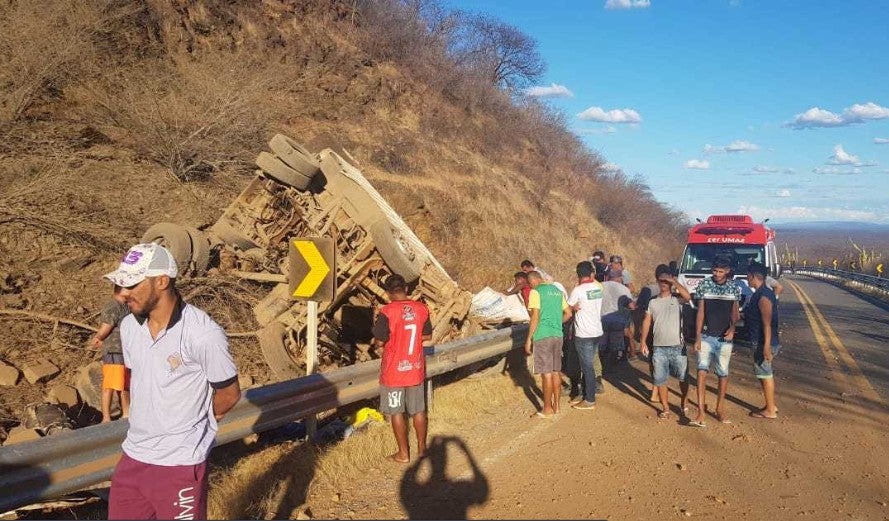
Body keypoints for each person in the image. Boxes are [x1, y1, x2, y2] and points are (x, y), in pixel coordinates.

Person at [106, 243, 240, 520]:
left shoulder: (203, 334)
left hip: (179, 464)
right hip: (134, 458)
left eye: (131, 284)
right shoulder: (129, 327)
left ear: (162, 281)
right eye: (120, 285)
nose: (122, 294)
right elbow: (142, 379)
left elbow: (229, 394)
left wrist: (188, 425)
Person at [373, 274, 433, 463]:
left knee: (396, 411)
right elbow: (427, 336)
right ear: (406, 289)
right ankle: (422, 450)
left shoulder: (387, 311)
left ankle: (403, 454)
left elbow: (380, 340)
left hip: (394, 371)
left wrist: (382, 343)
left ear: (388, 293)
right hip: (414, 368)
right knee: (418, 410)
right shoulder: (422, 309)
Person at [692, 255, 741, 427]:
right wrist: (697, 336)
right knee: (701, 371)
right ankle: (700, 411)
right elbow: (700, 312)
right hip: (706, 335)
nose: (717, 274)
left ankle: (720, 408)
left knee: (723, 373)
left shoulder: (734, 288)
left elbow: (735, 313)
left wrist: (733, 328)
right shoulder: (704, 284)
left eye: (720, 271)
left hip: (725, 338)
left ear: (727, 271)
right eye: (714, 270)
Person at [639, 268, 692, 419]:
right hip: (658, 347)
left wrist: (674, 281)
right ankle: (666, 408)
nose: (663, 284)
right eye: (661, 281)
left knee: (683, 378)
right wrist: (643, 341)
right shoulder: (652, 302)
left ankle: (684, 402)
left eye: (666, 281)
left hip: (677, 346)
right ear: (657, 282)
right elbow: (646, 321)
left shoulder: (677, 300)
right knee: (660, 379)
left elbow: (688, 297)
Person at [524, 271, 572, 418]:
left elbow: (535, 317)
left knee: (546, 374)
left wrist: (528, 339)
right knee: (556, 371)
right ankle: (557, 406)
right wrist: (557, 322)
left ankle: (547, 408)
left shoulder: (535, 292)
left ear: (532, 281)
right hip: (558, 335)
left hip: (543, 335)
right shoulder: (557, 291)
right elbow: (568, 313)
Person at [89, 285, 131, 423]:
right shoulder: (112, 306)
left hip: (124, 350)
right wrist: (98, 338)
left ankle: (127, 413)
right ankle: (106, 417)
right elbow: (106, 326)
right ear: (120, 290)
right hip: (114, 350)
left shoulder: (126, 305)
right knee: (111, 385)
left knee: (124, 385)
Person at [745, 262, 780, 419]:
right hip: (762, 341)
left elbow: (767, 323)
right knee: (764, 374)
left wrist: (766, 346)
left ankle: (771, 410)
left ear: (752, 276)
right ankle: (770, 404)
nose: (747, 278)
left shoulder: (763, 296)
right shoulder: (763, 292)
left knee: (766, 375)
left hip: (763, 342)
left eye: (747, 275)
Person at [567, 261, 604, 410]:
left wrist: (574, 307)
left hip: (584, 334)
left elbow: (568, 307)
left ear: (578, 275)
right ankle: (585, 395)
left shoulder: (578, 290)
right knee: (588, 365)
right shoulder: (597, 288)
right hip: (596, 332)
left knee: (587, 367)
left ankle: (589, 400)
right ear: (591, 273)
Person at [599, 280, 634, 371]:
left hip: (602, 319)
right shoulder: (624, 289)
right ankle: (611, 366)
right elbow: (631, 306)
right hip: (617, 321)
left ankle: (603, 366)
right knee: (614, 346)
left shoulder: (600, 286)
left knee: (602, 345)